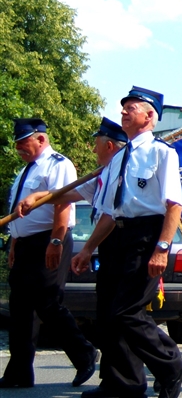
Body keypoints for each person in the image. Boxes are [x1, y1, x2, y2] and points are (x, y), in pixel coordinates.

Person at [70, 87, 182, 398]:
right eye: (123, 108)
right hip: (116, 237)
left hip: (145, 236)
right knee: (109, 314)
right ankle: (123, 383)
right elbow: (109, 212)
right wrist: (87, 248)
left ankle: (171, 364)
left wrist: (162, 248)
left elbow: (174, 205)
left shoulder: (162, 153)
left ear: (149, 116)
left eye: (131, 108)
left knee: (127, 311)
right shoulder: (118, 158)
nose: (123, 112)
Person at [0, 118, 97, 390]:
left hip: (48, 239)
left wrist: (56, 240)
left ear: (40, 139)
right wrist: (15, 243)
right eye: (17, 144)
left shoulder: (58, 164)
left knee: (48, 302)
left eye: (23, 142)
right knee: (20, 308)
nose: (18, 148)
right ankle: (19, 372)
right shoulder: (26, 170)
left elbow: (63, 202)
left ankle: (84, 353)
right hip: (25, 244)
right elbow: (19, 214)